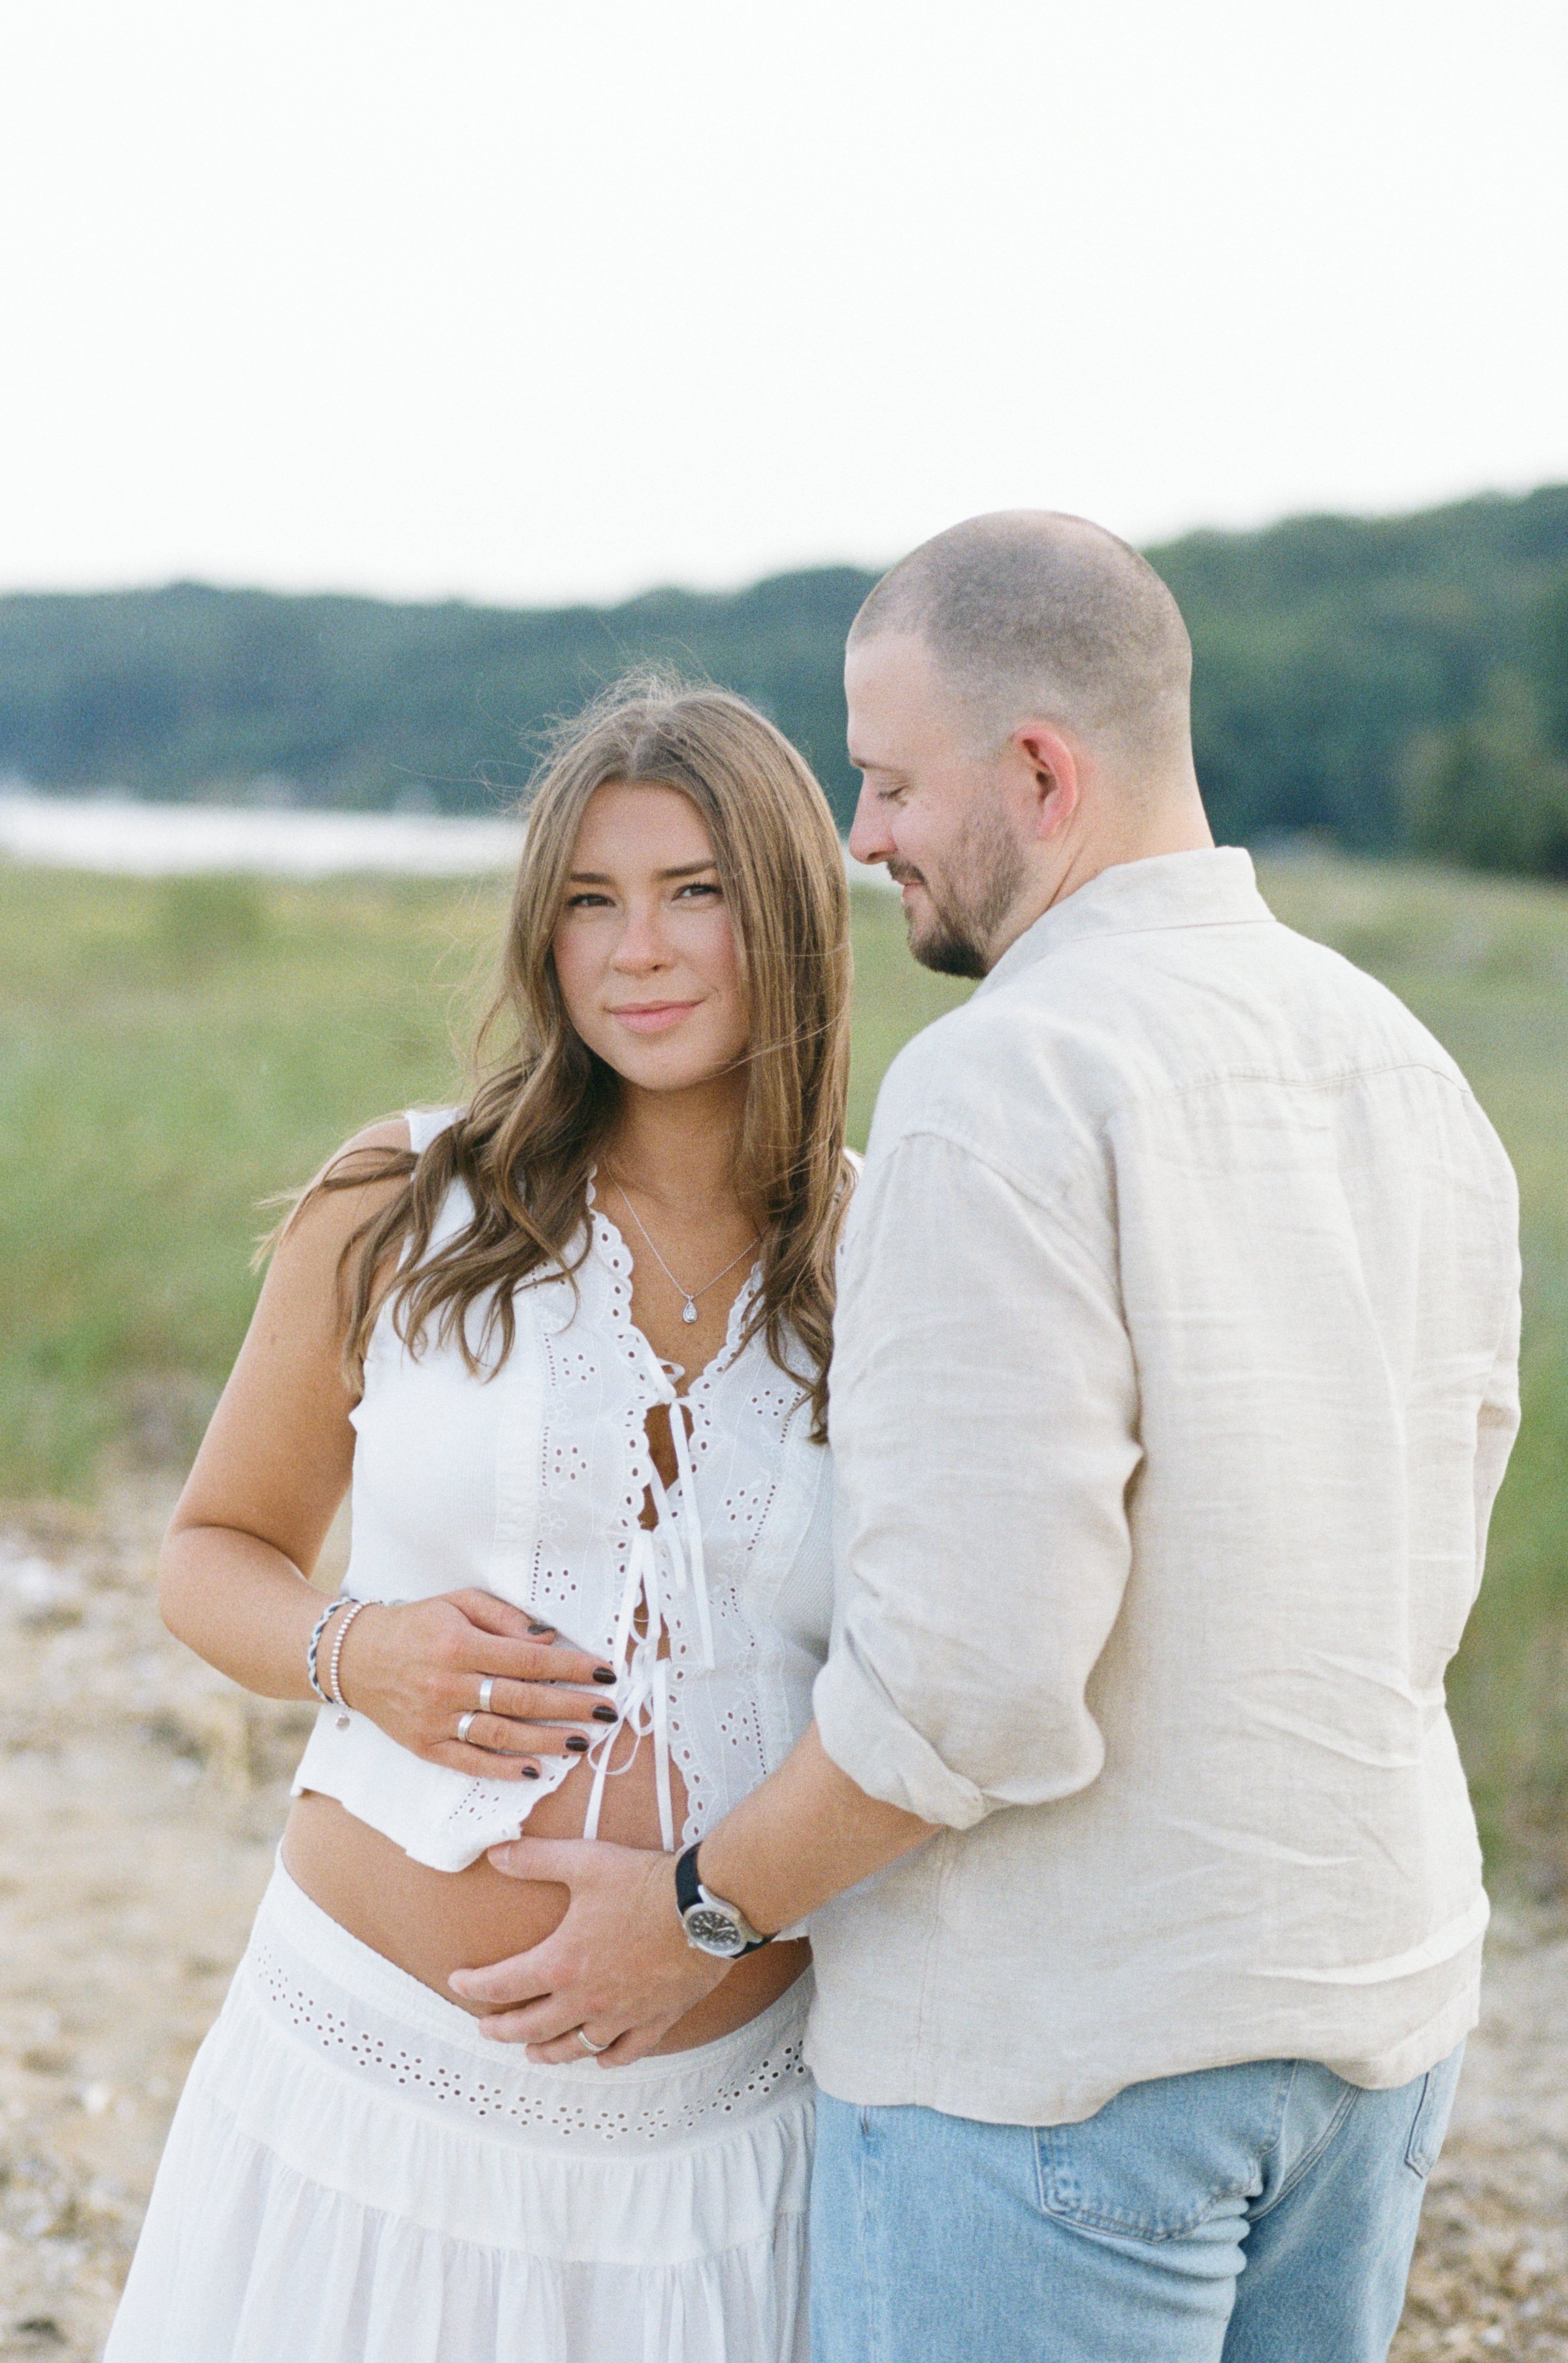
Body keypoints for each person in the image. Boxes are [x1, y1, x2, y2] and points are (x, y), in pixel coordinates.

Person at [456, 515, 1523, 2363]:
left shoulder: (998, 1084)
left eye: (884, 783)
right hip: (1372, 2018)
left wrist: (697, 1913)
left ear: (1038, 773)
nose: (860, 839)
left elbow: (968, 1678)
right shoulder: (1401, 1061)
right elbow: (1436, 1534)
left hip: (1060, 2065)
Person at [103, 676, 856, 2363]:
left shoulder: (887, 1264)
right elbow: (208, 1551)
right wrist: (351, 1649)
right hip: (370, 2102)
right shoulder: (405, 1204)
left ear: (791, 915)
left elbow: (942, 1685)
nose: (636, 952)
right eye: (589, 901)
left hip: (723, 2153)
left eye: (694, 893)